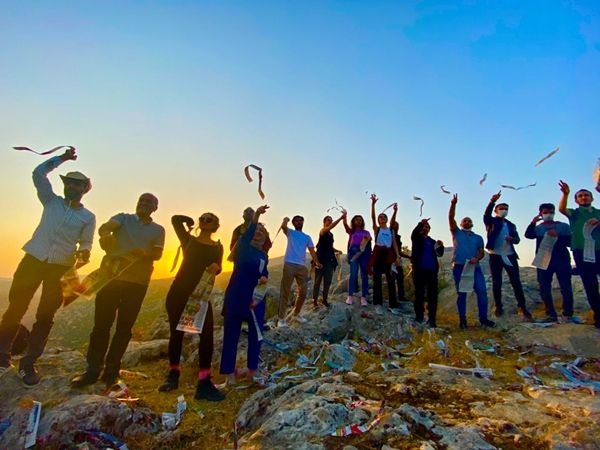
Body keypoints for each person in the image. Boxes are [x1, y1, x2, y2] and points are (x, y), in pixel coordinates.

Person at [0, 148, 95, 385]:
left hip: (60, 268)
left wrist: (84, 253)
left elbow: (86, 242)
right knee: (16, 307)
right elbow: (38, 174)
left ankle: (28, 363)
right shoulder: (51, 201)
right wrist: (61, 159)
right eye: (68, 183)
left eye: (76, 184)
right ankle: (1, 355)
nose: (71, 187)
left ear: (84, 189)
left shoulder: (88, 217)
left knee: (45, 316)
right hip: (33, 259)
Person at [72, 193, 165, 388]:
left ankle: (112, 371)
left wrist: (145, 254)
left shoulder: (158, 230)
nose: (144, 203)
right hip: (111, 279)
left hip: (138, 283)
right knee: (101, 325)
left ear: (155, 208)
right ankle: (92, 370)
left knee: (124, 328)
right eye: (141, 200)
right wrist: (105, 234)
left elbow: (157, 254)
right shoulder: (123, 218)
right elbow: (107, 227)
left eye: (149, 202)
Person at [155, 211, 224, 400]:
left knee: (206, 336)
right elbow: (175, 220)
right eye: (202, 218)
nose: (204, 221)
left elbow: (219, 266)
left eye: (209, 219)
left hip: (200, 296)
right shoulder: (188, 240)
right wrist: (190, 221)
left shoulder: (218, 247)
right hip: (179, 293)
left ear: (216, 225)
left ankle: (204, 382)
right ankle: (173, 375)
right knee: (176, 334)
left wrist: (217, 268)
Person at [220, 205, 269, 385]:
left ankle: (252, 370)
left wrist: (264, 277)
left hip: (255, 300)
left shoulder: (263, 255)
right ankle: (229, 374)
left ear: (265, 237)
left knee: (256, 335)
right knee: (231, 335)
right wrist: (256, 216)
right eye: (255, 230)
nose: (258, 233)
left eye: (262, 231)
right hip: (236, 297)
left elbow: (264, 272)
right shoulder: (242, 247)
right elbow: (248, 232)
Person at [483, 191, 532, 320]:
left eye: (506, 209)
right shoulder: (491, 222)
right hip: (495, 255)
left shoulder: (511, 225)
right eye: (501, 208)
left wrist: (512, 239)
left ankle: (522, 307)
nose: (504, 210)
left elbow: (517, 239)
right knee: (497, 281)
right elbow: (486, 215)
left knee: (516, 281)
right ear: (496, 210)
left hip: (510, 255)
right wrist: (492, 202)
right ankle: (498, 307)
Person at [449, 194, 495, 329]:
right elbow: (451, 218)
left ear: (472, 224)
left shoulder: (478, 237)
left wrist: (477, 258)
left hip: (474, 268)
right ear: (461, 224)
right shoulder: (457, 233)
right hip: (459, 267)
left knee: (482, 291)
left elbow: (481, 252)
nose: (467, 222)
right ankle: (463, 320)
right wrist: (453, 204)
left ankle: (483, 318)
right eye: (465, 220)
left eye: (469, 221)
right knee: (462, 293)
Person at [525, 202, 576, 323]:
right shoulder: (538, 228)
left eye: (551, 212)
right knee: (544, 287)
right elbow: (528, 235)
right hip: (543, 258)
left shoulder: (563, 226)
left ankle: (568, 314)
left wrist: (558, 236)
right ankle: (550, 314)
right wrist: (533, 222)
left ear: (554, 213)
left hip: (562, 259)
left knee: (566, 286)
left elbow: (570, 242)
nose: (548, 214)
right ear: (541, 214)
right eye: (545, 212)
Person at [558, 181, 600, 328]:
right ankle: (598, 316)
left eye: (586, 195)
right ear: (576, 200)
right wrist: (566, 194)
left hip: (598, 250)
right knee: (590, 284)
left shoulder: (598, 212)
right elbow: (562, 209)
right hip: (581, 251)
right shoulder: (574, 214)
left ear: (592, 198)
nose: (583, 197)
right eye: (580, 196)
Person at [277, 215, 321, 326]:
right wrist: (285, 220)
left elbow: (312, 251)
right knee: (285, 292)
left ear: (303, 222)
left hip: (302, 267)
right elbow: (283, 227)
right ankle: (281, 319)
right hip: (289, 264)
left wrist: (317, 262)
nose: (299, 222)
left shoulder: (307, 237)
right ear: (293, 223)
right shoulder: (290, 232)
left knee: (303, 292)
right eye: (296, 220)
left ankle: (296, 314)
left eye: (301, 220)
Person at [369, 195, 400, 311]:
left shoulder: (391, 230)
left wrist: (397, 256)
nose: (382, 218)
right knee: (377, 278)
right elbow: (372, 217)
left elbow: (394, 244)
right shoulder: (377, 229)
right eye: (380, 217)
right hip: (378, 254)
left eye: (384, 217)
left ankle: (393, 304)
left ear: (386, 219)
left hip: (388, 255)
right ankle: (378, 302)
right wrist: (373, 204)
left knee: (390, 278)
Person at [411, 219, 444, 327]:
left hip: (432, 271)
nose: (425, 228)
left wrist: (441, 246)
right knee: (419, 294)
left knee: (432, 296)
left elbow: (439, 254)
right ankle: (419, 317)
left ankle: (432, 320)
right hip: (419, 270)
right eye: (424, 226)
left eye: (427, 227)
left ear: (429, 229)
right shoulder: (416, 239)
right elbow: (414, 233)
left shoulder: (433, 242)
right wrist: (420, 223)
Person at [312, 212, 345, 308]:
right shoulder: (322, 231)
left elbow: (330, 247)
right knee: (317, 281)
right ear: (324, 222)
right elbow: (330, 227)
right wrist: (340, 218)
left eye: (331, 220)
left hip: (330, 260)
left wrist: (337, 250)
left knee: (327, 281)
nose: (330, 221)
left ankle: (324, 300)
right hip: (320, 260)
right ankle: (314, 300)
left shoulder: (331, 234)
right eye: (328, 220)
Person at [342, 214, 372, 306]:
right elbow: (345, 225)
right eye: (356, 220)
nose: (358, 221)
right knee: (353, 274)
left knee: (364, 274)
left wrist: (368, 239)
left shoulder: (366, 232)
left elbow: (369, 242)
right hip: (353, 253)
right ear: (354, 222)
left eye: (360, 220)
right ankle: (350, 296)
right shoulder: (351, 231)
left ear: (362, 222)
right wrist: (344, 217)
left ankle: (363, 297)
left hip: (364, 253)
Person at [390, 221, 411, 303]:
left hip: (398, 260)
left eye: (397, 225)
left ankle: (401, 296)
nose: (396, 227)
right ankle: (393, 298)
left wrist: (409, 257)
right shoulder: (389, 236)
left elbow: (399, 251)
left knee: (400, 278)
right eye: (395, 225)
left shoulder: (398, 237)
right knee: (392, 279)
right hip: (391, 260)